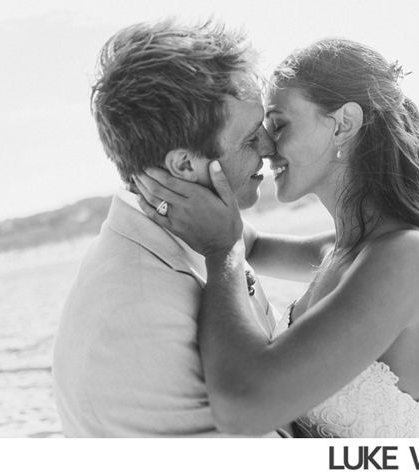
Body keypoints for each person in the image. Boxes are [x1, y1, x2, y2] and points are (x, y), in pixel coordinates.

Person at [135, 38, 419, 437]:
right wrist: (182, 176)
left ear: (343, 124)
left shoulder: (405, 257)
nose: (267, 145)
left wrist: (221, 252)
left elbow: (244, 412)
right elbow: (249, 244)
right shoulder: (339, 249)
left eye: (278, 124)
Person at [52, 19, 332, 436]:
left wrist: (389, 246)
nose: (270, 148)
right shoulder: (141, 314)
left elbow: (284, 249)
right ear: (184, 165)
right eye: (250, 138)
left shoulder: (173, 224)